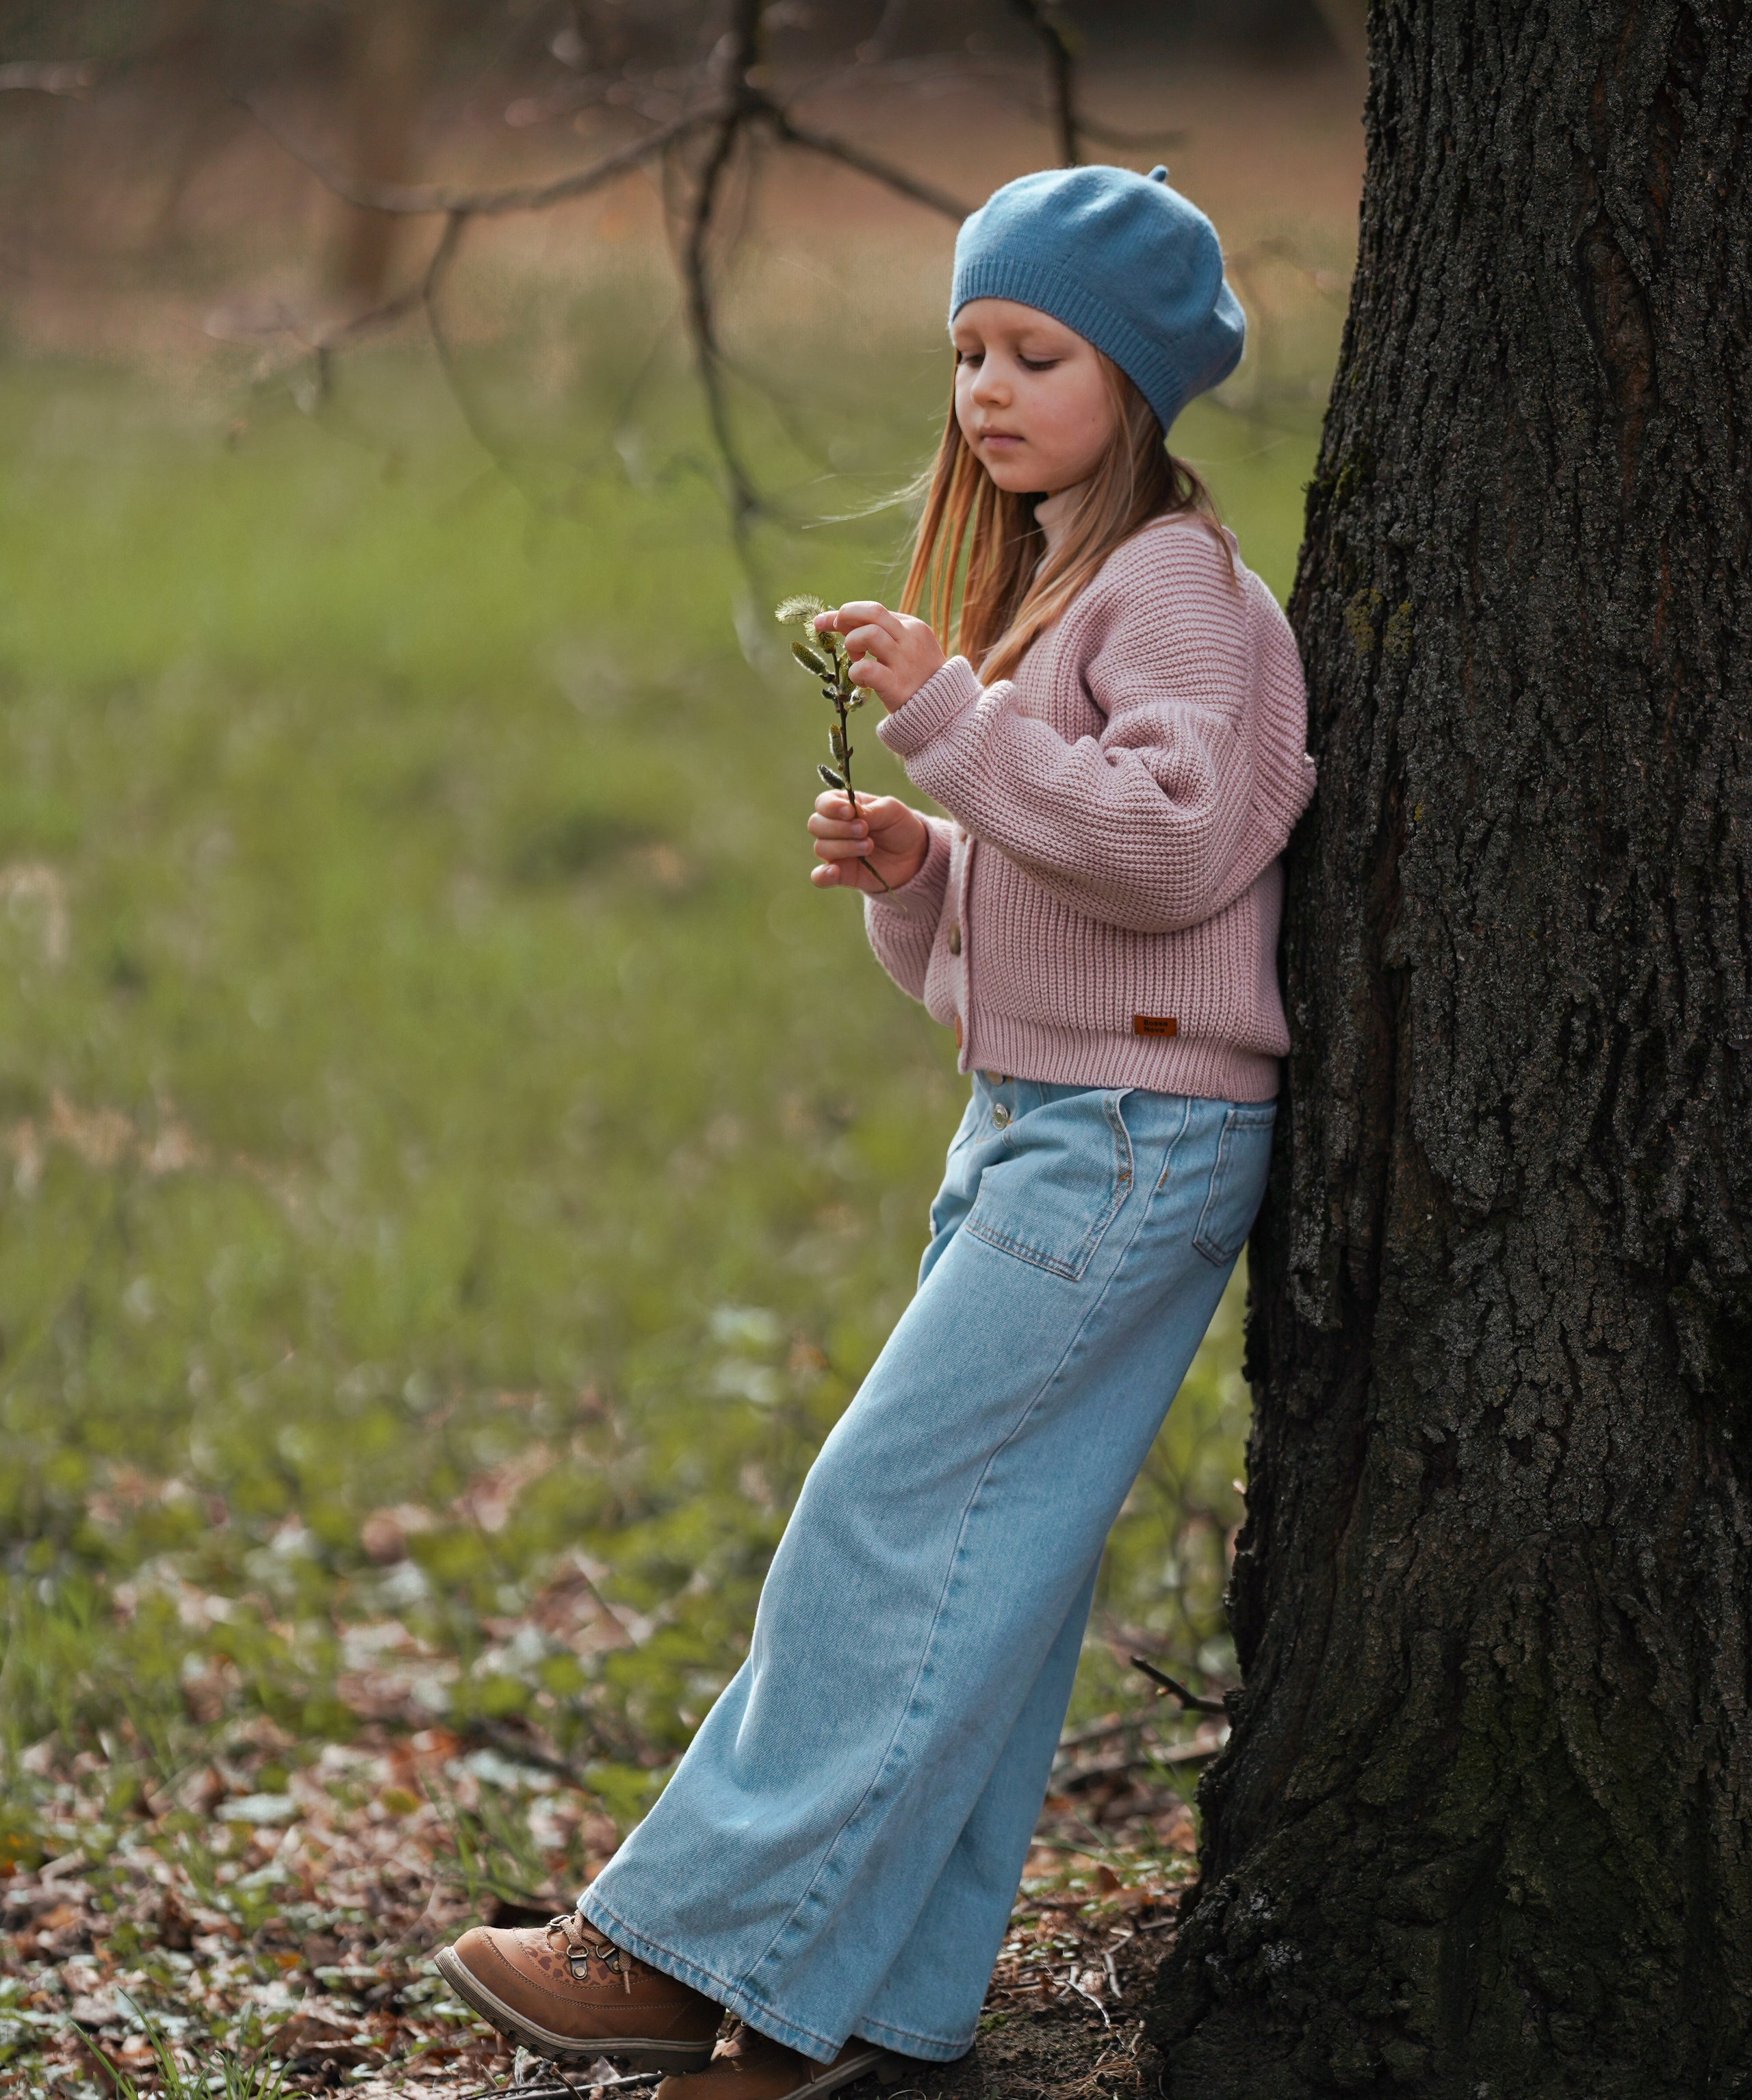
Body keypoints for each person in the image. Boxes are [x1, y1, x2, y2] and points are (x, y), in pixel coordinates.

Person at [435, 164, 1316, 2100]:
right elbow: (1042, 924)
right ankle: (843, 2022)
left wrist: (957, 733)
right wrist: (924, 872)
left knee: (883, 1525)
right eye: (968, 351)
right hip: (1052, 1117)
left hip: (1130, 1138)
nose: (986, 389)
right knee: (987, 1576)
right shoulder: (1064, 582)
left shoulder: (1180, 591)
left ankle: (673, 1948)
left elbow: (1174, 847)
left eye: (1037, 353)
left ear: (1138, 377)